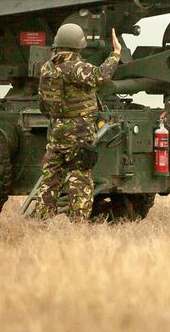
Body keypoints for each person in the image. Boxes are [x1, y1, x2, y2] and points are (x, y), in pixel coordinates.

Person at [36, 23, 121, 221]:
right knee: (79, 178)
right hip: (79, 135)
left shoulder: (47, 68)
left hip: (56, 133)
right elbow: (101, 76)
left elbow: (43, 103)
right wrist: (116, 53)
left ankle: (41, 220)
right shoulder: (76, 68)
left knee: (50, 179)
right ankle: (78, 223)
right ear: (79, 46)